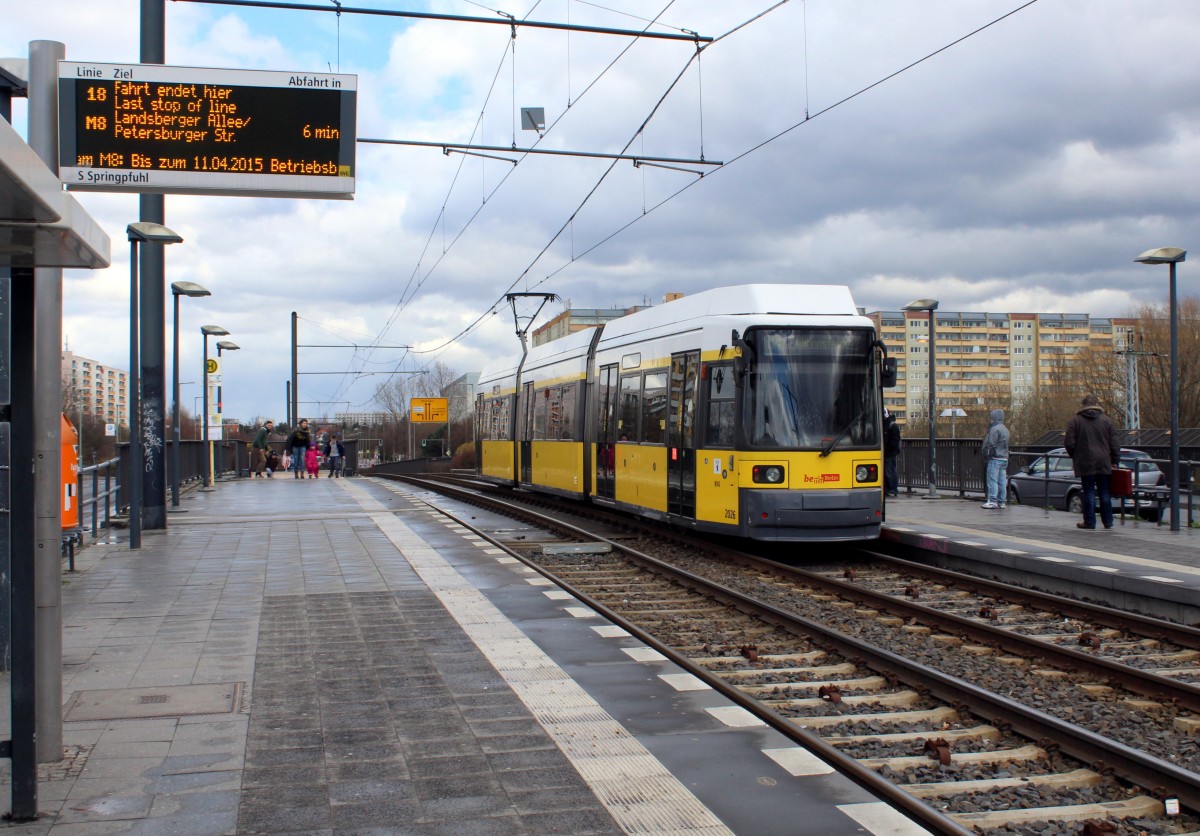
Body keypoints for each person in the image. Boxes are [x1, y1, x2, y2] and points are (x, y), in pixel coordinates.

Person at [1064, 394, 1120, 530]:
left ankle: (1089, 522)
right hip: (1103, 461)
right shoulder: (1106, 421)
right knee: (1104, 492)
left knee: (1088, 491)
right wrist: (1115, 460)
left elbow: (1069, 442)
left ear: (1083, 406)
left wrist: (1075, 455)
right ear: (1097, 405)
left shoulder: (1075, 421)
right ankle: (1108, 521)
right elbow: (1115, 443)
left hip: (1085, 461)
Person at [980, 409, 1010, 509]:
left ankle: (992, 501)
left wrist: (988, 455)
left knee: (992, 480)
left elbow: (991, 444)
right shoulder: (1005, 429)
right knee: (1002, 481)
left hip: (995, 458)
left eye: (992, 417)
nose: (991, 420)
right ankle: (1002, 502)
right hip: (1004, 458)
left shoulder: (994, 429)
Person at [883, 408, 901, 497]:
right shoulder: (887, 424)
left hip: (889, 453)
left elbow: (894, 440)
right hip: (886, 452)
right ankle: (888, 488)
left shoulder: (891, 426)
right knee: (888, 471)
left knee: (889, 471)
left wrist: (887, 449)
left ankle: (893, 488)